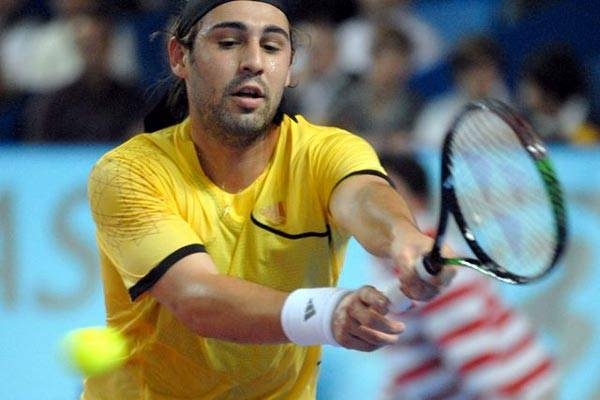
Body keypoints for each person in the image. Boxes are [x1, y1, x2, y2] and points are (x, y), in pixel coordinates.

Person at [85, 1, 454, 399]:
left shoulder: (325, 152)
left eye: (273, 47)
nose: (254, 62)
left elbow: (364, 196)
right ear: (179, 56)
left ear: (290, 67)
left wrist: (404, 239)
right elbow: (196, 298)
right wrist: (327, 312)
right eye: (229, 42)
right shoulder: (129, 172)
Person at [372, 153, 558, 400]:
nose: (373, 206)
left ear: (417, 201)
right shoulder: (391, 262)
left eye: (386, 194)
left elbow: (478, 358)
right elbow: (405, 361)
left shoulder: (427, 258)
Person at [23, 8, 145, 143]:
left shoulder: (135, 100)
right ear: (77, 46)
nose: (93, 50)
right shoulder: (54, 105)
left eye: (98, 41)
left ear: (109, 42)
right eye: (87, 44)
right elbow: (41, 150)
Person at [328, 24, 422, 154]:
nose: (393, 70)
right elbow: (331, 130)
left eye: (399, 63)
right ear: (374, 59)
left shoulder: (414, 103)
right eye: (388, 61)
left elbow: (411, 141)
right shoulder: (349, 94)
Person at [412, 34, 511, 150]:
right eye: (470, 69)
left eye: (486, 68)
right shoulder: (437, 114)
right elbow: (426, 150)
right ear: (457, 74)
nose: (479, 76)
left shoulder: (512, 115)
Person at [518, 43, 600, 145]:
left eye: (530, 86)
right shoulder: (530, 120)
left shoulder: (593, 120)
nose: (523, 91)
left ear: (550, 93)